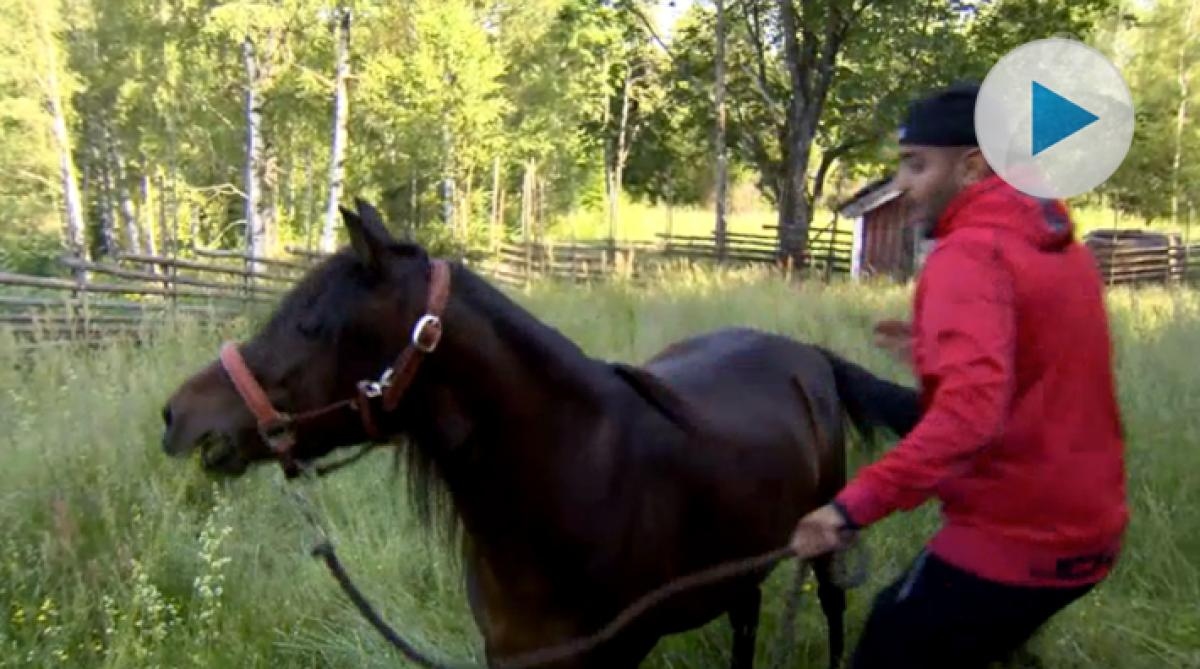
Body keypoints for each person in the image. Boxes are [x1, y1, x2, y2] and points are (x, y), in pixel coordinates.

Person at [791, 83, 1129, 668]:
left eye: (917, 165)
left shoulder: (969, 255)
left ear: (972, 166)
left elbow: (968, 419)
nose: (903, 185)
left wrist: (847, 509)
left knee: (888, 645)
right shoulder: (1056, 246)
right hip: (1089, 530)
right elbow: (1040, 366)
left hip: (1016, 539)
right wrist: (932, 348)